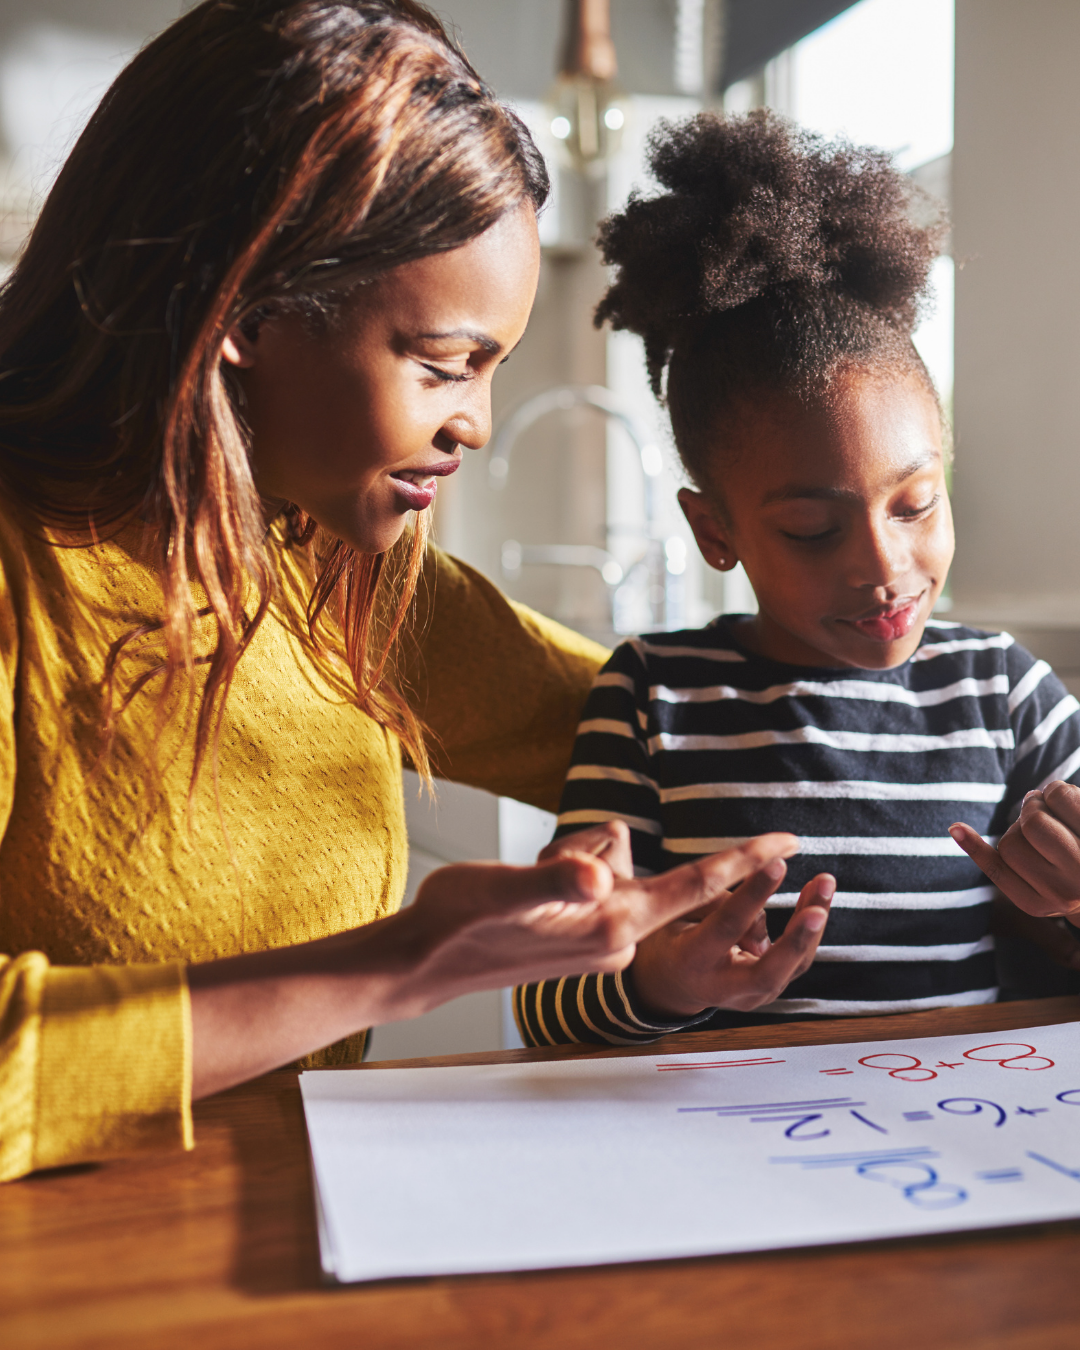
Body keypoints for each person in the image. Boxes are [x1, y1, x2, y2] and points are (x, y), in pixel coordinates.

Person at [0, 3, 831, 1184]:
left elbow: (683, 732)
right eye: (445, 364)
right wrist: (402, 963)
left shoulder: (339, 564)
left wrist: (999, 765)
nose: (476, 427)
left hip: (296, 1232)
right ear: (250, 307)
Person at [515, 110, 1080, 1047]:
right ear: (716, 530)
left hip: (954, 1149)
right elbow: (546, 1003)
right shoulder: (653, 695)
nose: (883, 566)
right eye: (813, 530)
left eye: (916, 504)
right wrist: (657, 980)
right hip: (727, 1158)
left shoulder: (1003, 690)